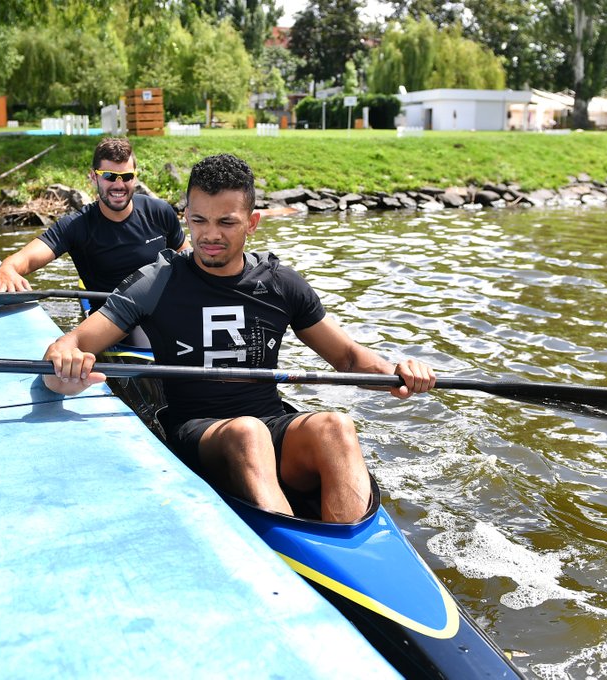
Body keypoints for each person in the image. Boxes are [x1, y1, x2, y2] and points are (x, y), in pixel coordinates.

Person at [42, 153, 436, 524]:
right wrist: (64, 369)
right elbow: (68, 347)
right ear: (186, 218)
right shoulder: (155, 282)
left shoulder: (282, 283)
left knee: (336, 426)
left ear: (252, 222)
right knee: (248, 432)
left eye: (226, 222)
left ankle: (351, 549)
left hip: (271, 422)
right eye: (198, 221)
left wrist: (395, 373)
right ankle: (292, 547)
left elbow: (348, 358)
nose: (209, 235)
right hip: (198, 431)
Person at [0, 137, 188, 295]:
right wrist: (6, 270)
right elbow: (24, 260)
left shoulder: (160, 212)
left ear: (134, 177)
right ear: (94, 177)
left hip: (162, 309)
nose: (119, 185)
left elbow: (188, 259)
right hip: (112, 319)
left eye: (126, 177)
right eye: (109, 176)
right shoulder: (75, 226)